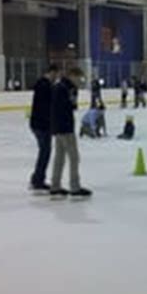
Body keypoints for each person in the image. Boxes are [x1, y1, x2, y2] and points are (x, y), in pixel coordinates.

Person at [50, 67, 92, 197]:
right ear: (72, 76)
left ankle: (55, 186)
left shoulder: (64, 87)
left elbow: (71, 106)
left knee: (60, 157)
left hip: (59, 128)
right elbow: (64, 108)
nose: (80, 81)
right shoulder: (63, 89)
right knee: (74, 157)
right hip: (65, 128)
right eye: (79, 78)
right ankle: (75, 187)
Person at [29, 64, 60, 192]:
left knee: (44, 152)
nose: (56, 78)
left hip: (39, 124)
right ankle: (38, 179)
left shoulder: (42, 84)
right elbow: (47, 107)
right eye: (56, 75)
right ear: (52, 72)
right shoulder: (45, 86)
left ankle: (37, 178)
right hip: (42, 125)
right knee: (45, 152)